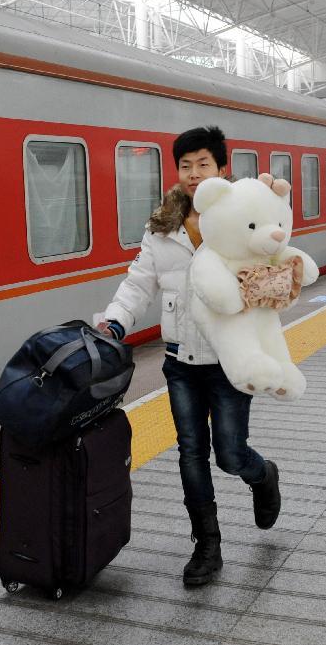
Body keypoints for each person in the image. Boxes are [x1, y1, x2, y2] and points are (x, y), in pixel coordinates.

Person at [97, 126, 281, 587]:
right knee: (191, 454)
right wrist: (116, 320)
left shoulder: (244, 220)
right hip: (180, 361)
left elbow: (278, 271)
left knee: (230, 455)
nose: (194, 174)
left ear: (221, 169)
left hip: (229, 363)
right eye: (185, 165)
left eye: (203, 164)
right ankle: (206, 545)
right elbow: (139, 283)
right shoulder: (162, 228)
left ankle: (262, 475)